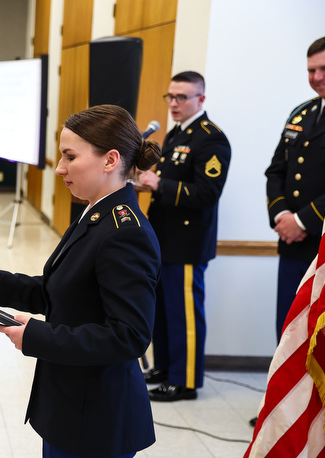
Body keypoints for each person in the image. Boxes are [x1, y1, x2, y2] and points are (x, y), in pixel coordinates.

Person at [0, 104, 162, 458]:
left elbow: (129, 336)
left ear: (110, 160)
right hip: (70, 405)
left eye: (69, 156)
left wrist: (35, 334)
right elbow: (65, 291)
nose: (59, 168)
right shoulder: (95, 211)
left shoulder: (125, 233)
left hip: (96, 419)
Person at [138, 71, 232, 402]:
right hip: (163, 238)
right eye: (171, 97)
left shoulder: (210, 139)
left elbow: (207, 193)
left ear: (200, 100)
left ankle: (185, 380)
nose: (174, 104)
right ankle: (165, 367)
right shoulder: (177, 135)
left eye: (182, 97)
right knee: (162, 311)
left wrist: (157, 184)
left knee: (184, 314)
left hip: (188, 243)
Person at [265, 35, 325, 342]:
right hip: (293, 242)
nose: (317, 78)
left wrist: (302, 220)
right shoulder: (301, 112)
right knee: (290, 327)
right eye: (311, 70)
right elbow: (276, 170)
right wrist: (282, 216)